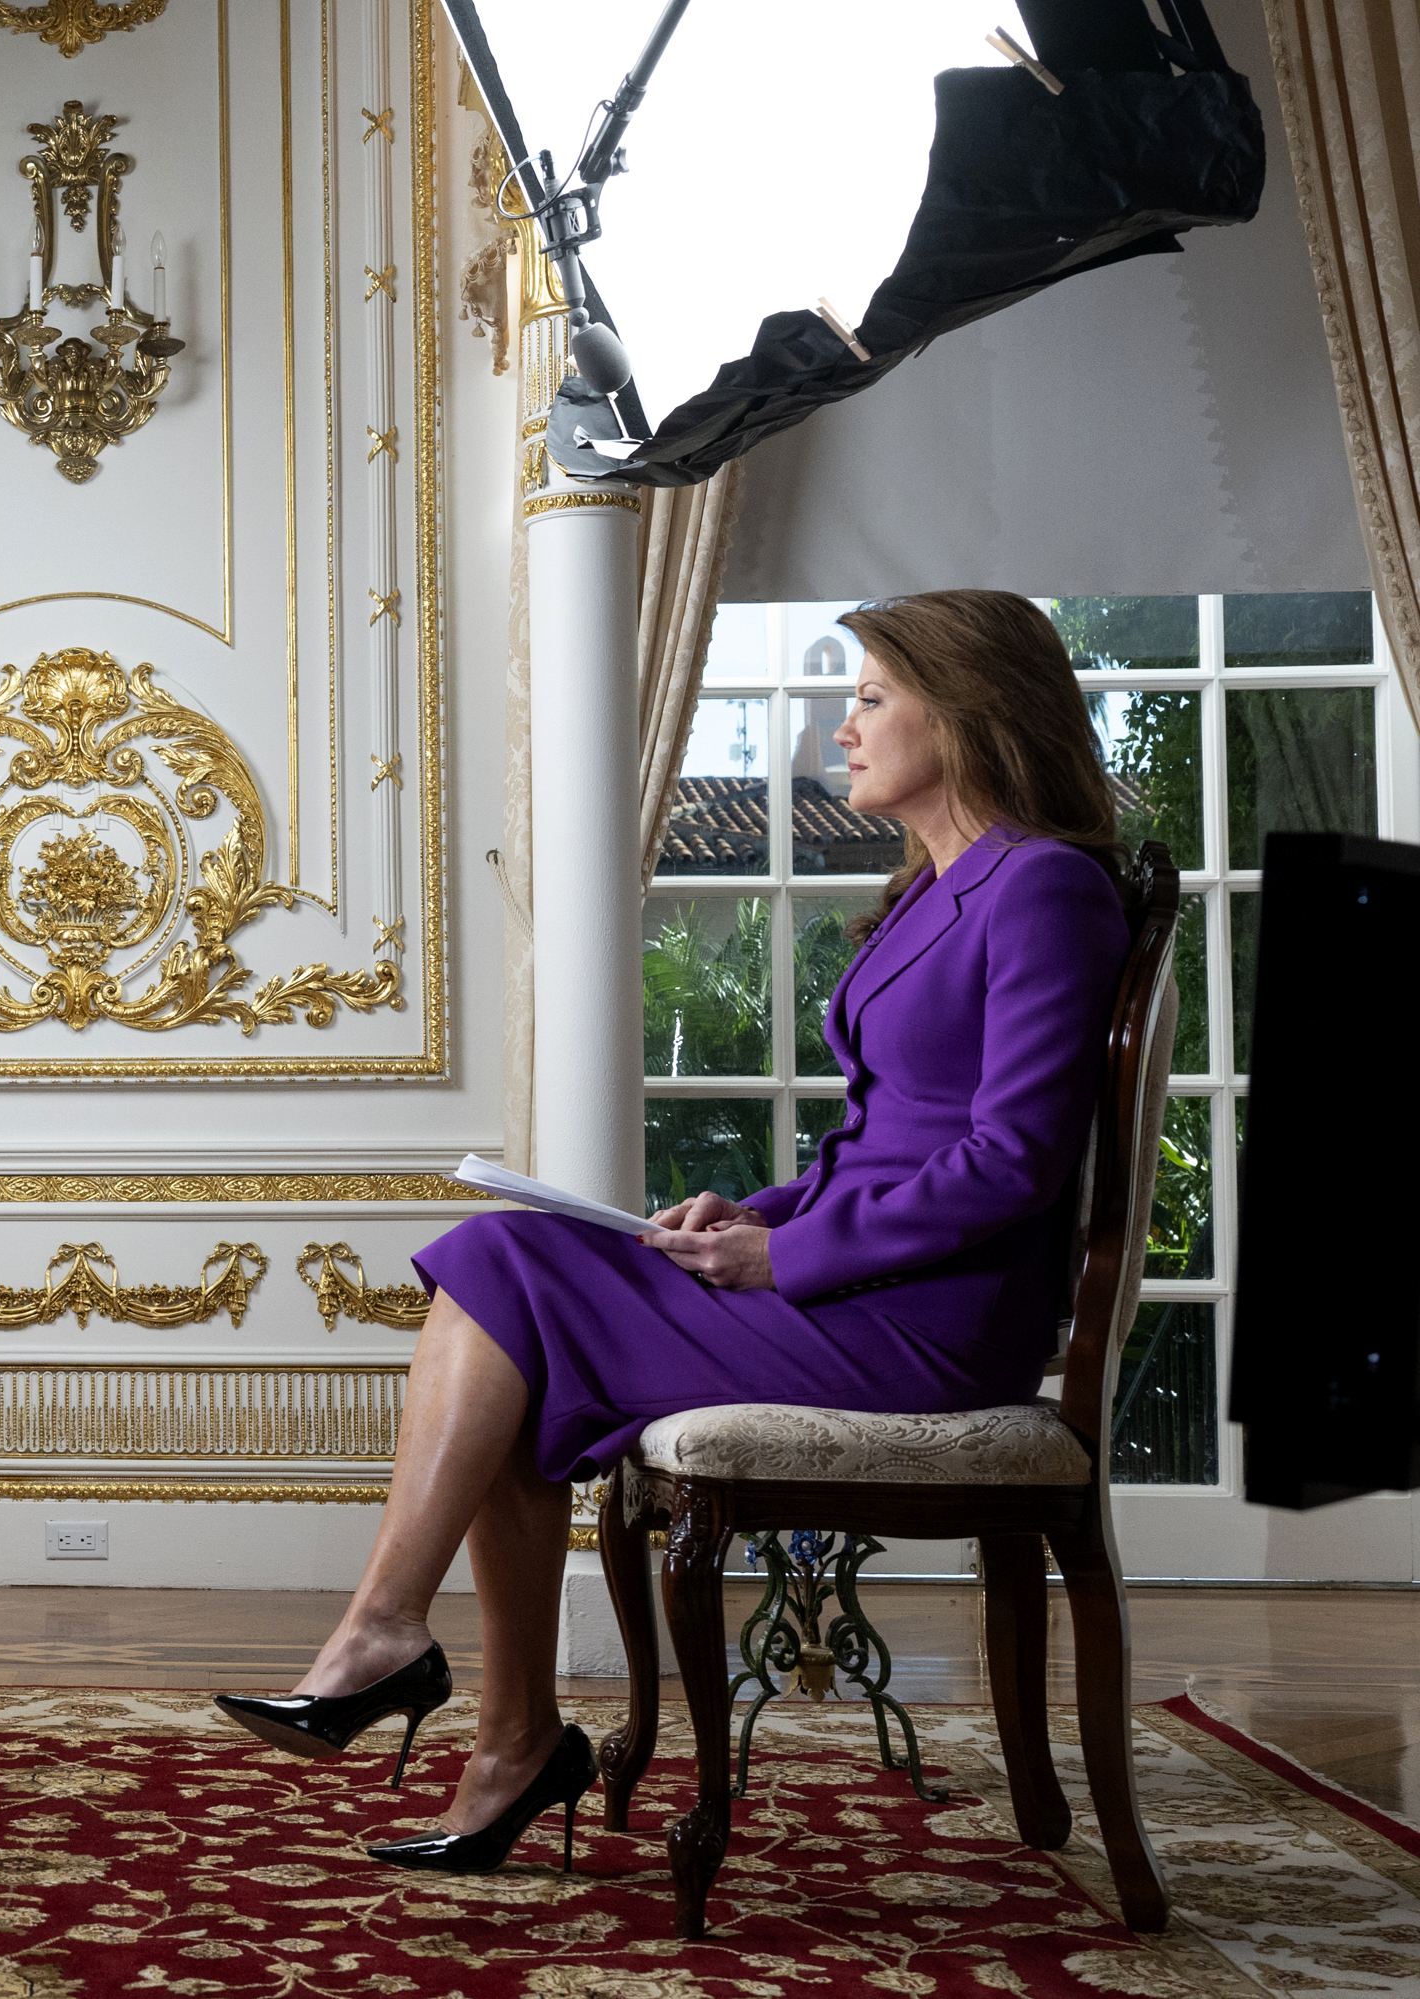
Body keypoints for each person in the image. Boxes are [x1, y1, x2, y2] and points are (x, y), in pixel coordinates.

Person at [216, 590, 1131, 1875]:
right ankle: (503, 1738)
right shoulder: (934, 883)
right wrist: (747, 1217)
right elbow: (878, 1143)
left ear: (967, 710)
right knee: (513, 1315)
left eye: (870, 696)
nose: (842, 724)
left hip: (933, 1324)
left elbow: (1012, 1166)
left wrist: (787, 1258)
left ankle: (398, 1648)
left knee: (499, 1266)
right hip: (862, 1286)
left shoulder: (1044, 887)